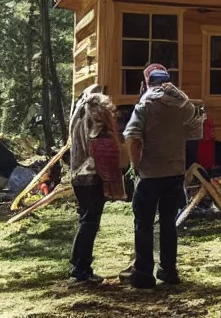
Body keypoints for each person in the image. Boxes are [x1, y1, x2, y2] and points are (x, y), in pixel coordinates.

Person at [123, 63, 202, 289]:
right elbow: (195, 131)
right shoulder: (183, 104)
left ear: (149, 82)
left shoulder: (146, 104)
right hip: (175, 172)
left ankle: (143, 273)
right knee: (168, 222)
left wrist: (135, 166)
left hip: (150, 173)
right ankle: (168, 270)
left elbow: (133, 136)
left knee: (144, 223)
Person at [68, 90, 125, 285]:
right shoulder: (95, 120)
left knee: (86, 221)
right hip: (91, 175)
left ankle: (79, 265)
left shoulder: (78, 117)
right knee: (89, 223)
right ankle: (80, 269)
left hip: (78, 175)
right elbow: (102, 148)